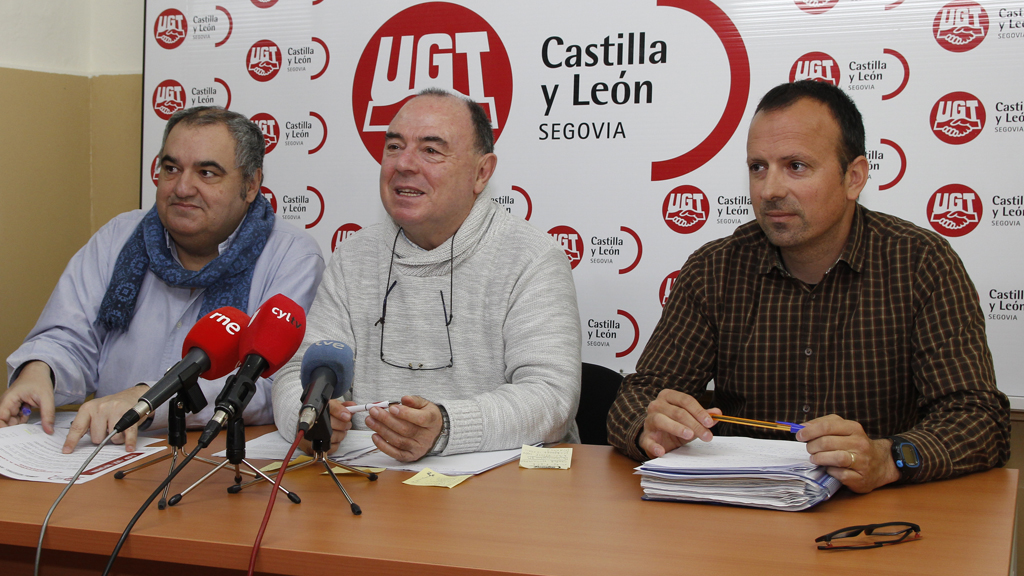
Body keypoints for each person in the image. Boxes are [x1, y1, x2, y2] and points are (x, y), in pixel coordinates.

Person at [607, 80, 1010, 493]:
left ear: (854, 177)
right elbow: (637, 398)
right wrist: (650, 427)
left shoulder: (920, 262)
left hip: (873, 512)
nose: (769, 190)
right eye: (757, 167)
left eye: (796, 166)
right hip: (740, 507)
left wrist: (890, 458)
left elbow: (979, 418)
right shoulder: (714, 269)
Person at [272, 89, 581, 462]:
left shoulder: (531, 257)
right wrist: (308, 416)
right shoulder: (354, 256)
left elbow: (551, 397)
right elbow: (298, 372)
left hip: (501, 486)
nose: (404, 164)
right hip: (370, 478)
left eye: (431, 150)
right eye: (394, 147)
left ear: (482, 172)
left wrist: (446, 426)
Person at [1, 106, 325, 453]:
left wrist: (148, 400)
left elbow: (273, 384)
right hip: (108, 450)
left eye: (207, 173)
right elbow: (68, 337)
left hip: (216, 458)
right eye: (171, 169)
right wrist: (40, 370)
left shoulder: (292, 256)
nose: (182, 188)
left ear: (250, 185)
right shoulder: (118, 237)